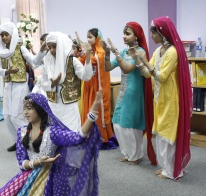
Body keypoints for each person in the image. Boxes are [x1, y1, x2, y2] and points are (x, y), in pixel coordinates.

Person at [0, 91, 102, 196]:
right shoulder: (21, 132)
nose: (25, 112)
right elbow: (21, 163)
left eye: (29, 109)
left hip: (50, 177)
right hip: (29, 176)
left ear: (39, 109)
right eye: (24, 109)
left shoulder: (52, 132)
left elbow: (78, 137)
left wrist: (93, 112)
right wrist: (37, 162)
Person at [129, 16, 192, 179]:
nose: (151, 36)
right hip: (158, 98)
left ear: (161, 33)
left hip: (170, 98)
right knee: (160, 133)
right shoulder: (158, 51)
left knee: (168, 133)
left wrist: (143, 59)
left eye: (153, 33)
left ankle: (172, 171)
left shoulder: (173, 52)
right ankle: (166, 166)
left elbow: (161, 76)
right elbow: (147, 73)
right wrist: (137, 59)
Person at [100, 22, 150, 165]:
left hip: (133, 92)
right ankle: (127, 153)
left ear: (136, 36)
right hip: (123, 92)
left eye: (128, 33)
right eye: (124, 33)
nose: (124, 36)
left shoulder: (140, 52)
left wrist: (116, 52)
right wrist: (108, 54)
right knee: (117, 123)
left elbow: (127, 68)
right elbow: (108, 67)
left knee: (130, 125)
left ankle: (136, 155)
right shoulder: (123, 52)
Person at [0, 22, 46, 152]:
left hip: (21, 86)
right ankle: (17, 140)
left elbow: (34, 62)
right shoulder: (1, 51)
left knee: (17, 117)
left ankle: (28, 140)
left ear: (12, 35)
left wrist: (40, 51)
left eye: (6, 34)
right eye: (2, 35)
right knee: (7, 117)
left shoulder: (20, 48)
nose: (4, 37)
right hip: (8, 85)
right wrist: (7, 72)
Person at [40, 31, 93, 132]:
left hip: (69, 107)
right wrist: (52, 84)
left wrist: (88, 55)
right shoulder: (47, 61)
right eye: (49, 47)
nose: (52, 50)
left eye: (54, 46)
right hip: (53, 105)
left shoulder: (72, 61)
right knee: (56, 135)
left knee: (71, 133)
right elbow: (43, 83)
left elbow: (86, 76)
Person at [77, 28, 118, 149]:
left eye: (90, 37)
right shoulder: (92, 50)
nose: (88, 39)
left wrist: (86, 52)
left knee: (97, 112)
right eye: (87, 37)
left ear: (97, 38)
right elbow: (83, 60)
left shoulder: (101, 52)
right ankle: (88, 135)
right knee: (88, 109)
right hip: (89, 85)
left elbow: (94, 61)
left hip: (98, 87)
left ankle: (101, 138)